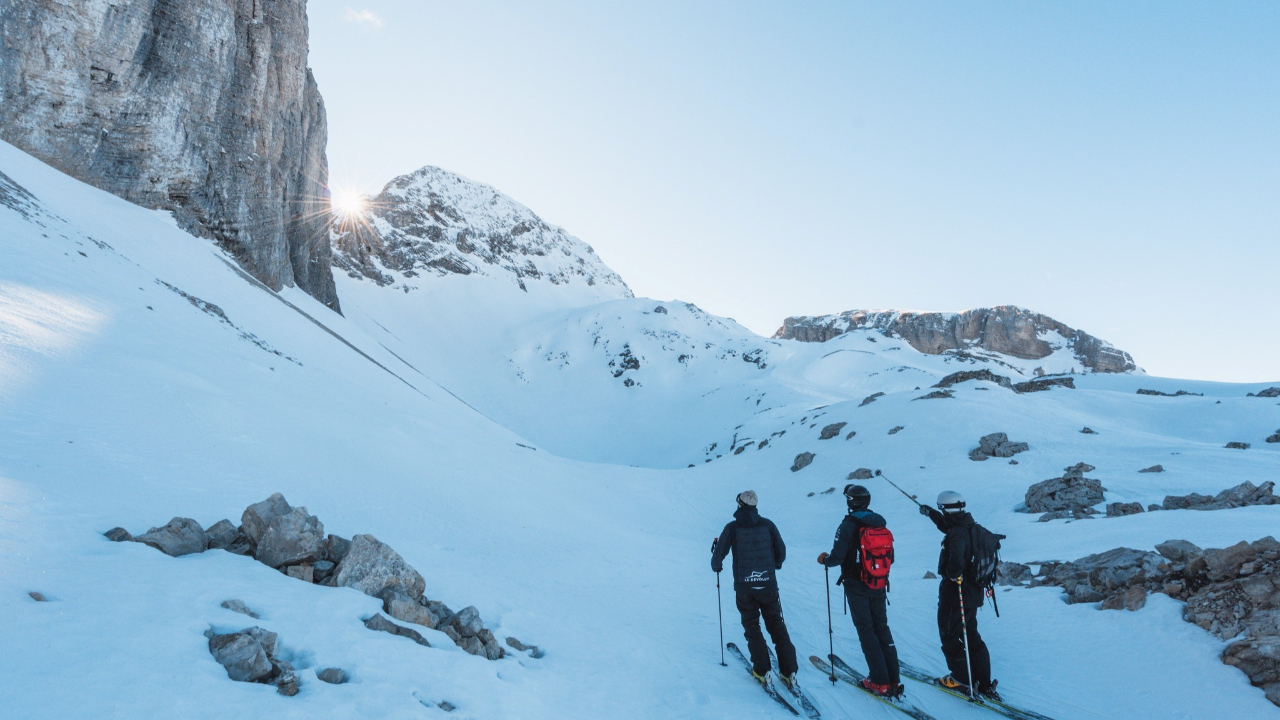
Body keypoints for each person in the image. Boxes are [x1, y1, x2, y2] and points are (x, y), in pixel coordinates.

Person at [817, 484, 902, 697]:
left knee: (866, 630)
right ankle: (893, 679)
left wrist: (824, 560)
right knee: (881, 628)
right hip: (879, 582)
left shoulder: (847, 526)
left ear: (850, 502)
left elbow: (836, 558)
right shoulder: (879, 523)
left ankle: (879, 682)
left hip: (857, 584)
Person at [711, 490, 799, 688]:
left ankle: (762, 670)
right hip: (768, 585)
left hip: (745, 588)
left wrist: (716, 566)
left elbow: (719, 554)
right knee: (776, 625)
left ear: (739, 505)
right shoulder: (768, 525)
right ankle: (789, 671)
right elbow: (781, 552)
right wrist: (775, 565)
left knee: (752, 627)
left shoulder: (732, 527)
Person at [919, 490, 1000, 700]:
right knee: (971, 634)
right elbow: (950, 527)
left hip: (956, 592)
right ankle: (983, 682)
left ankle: (961, 679)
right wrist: (930, 514)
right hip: (974, 591)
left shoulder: (957, 533)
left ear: (945, 508)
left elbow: (956, 562)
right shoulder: (971, 525)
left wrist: (952, 573)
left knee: (949, 634)